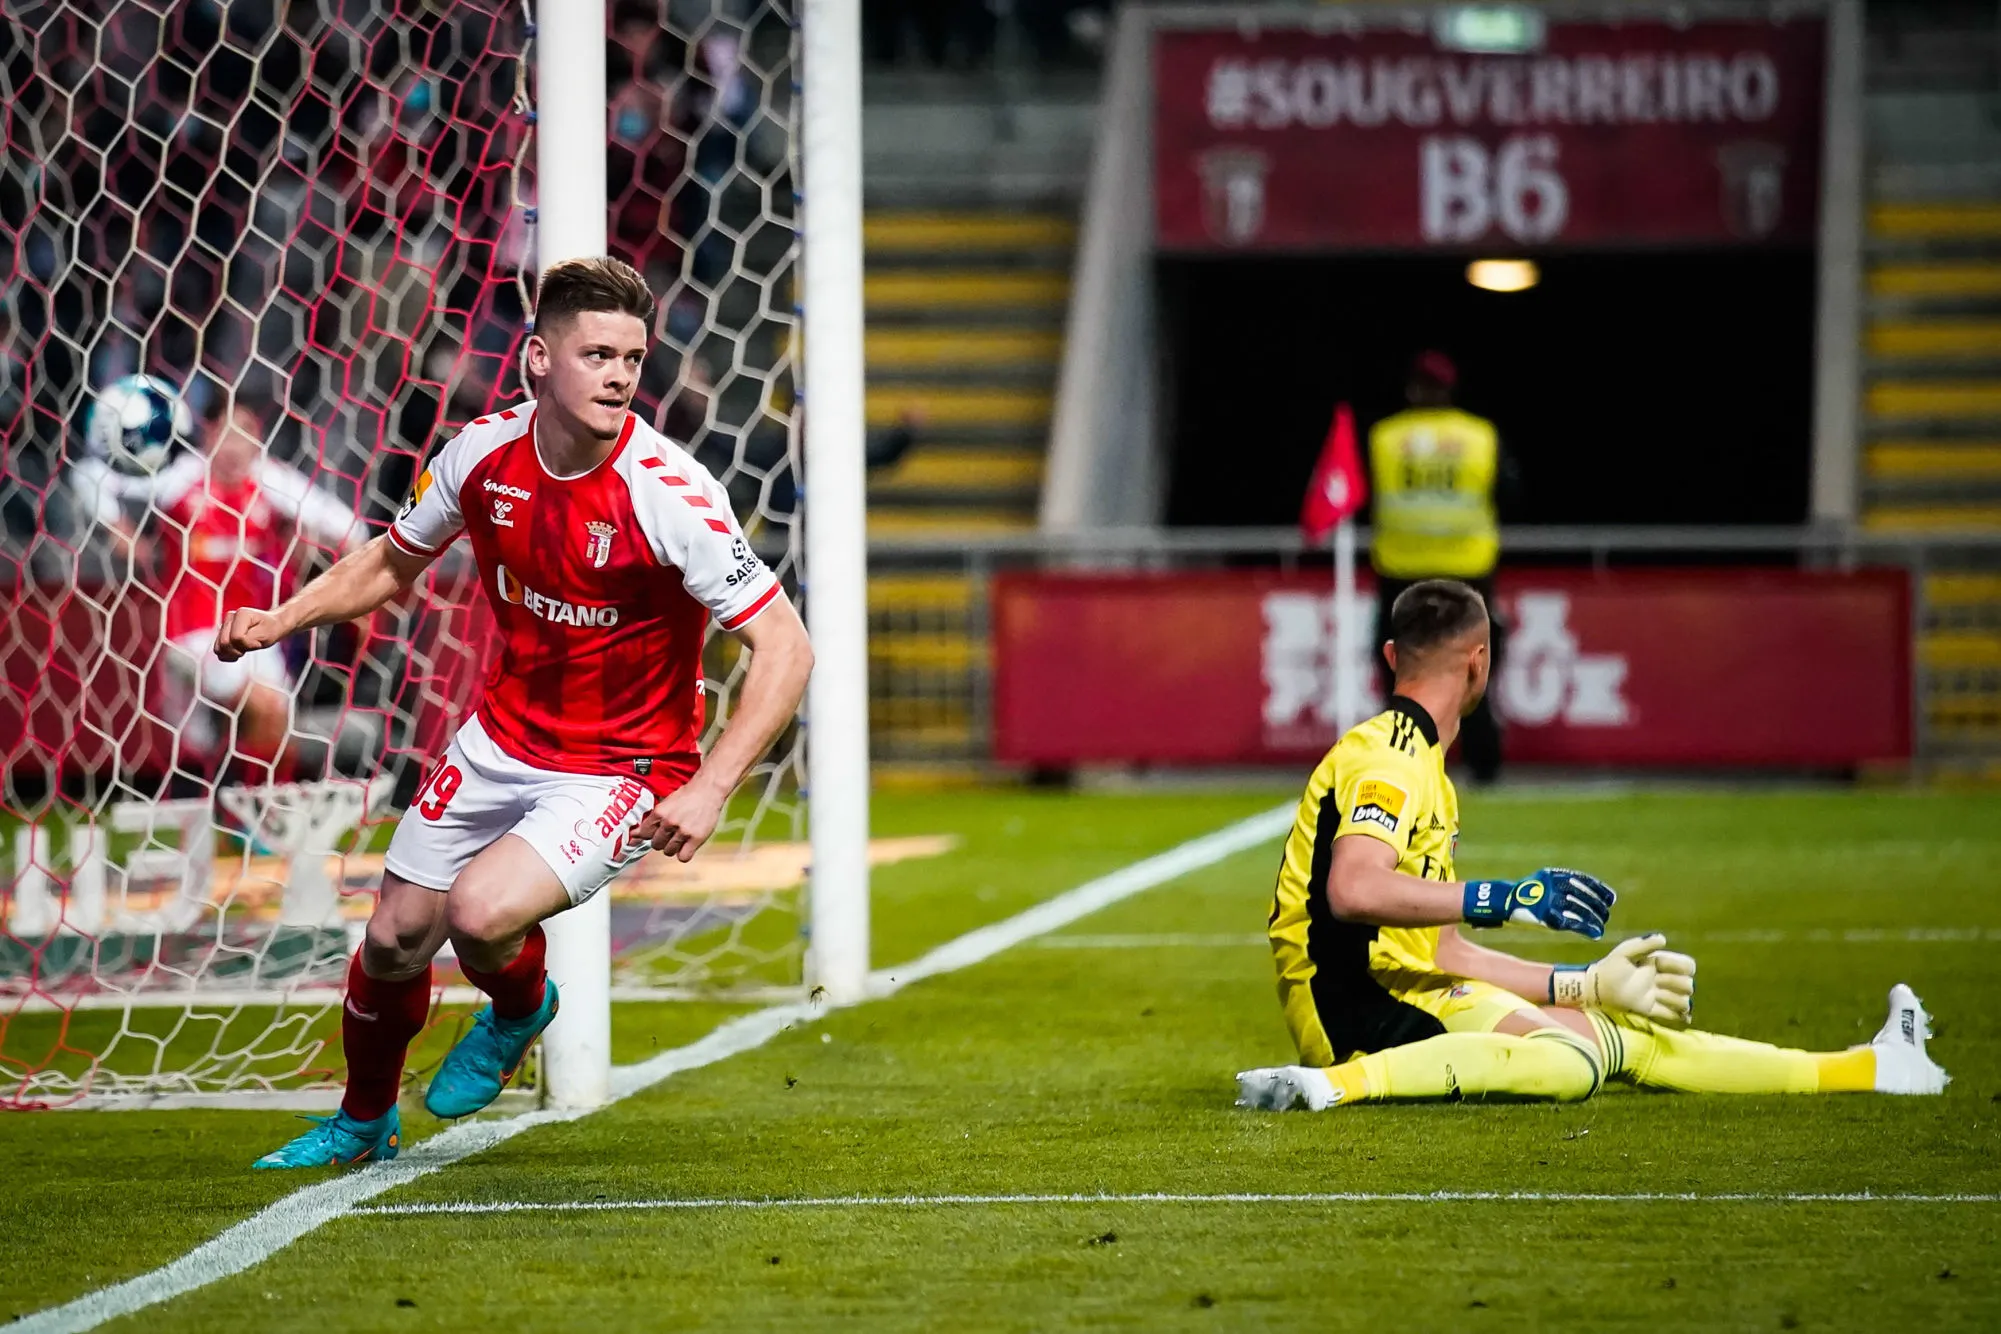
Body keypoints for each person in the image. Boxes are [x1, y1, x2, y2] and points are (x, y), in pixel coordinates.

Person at [232, 257, 814, 1167]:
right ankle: (361, 1122)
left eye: (632, 358)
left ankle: (519, 1008)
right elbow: (389, 560)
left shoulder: (670, 494)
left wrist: (710, 787)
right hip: (502, 739)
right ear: (539, 358)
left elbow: (785, 647)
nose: (619, 377)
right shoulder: (480, 453)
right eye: (597, 355)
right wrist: (281, 619)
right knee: (392, 939)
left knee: (479, 913)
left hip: (623, 765)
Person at [1236, 579, 1948, 1112]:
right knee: (1571, 1061)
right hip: (1348, 1007)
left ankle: (1876, 1068)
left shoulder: (1421, 764)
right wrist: (1506, 897)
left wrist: (1583, 983)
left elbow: (1444, 952)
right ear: (1480, 663)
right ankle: (1331, 1085)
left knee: (1613, 1030)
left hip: (1404, 987)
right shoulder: (1390, 757)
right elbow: (1353, 888)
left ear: (1392, 655)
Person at [1367, 351, 1512, 783]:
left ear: (1413, 389)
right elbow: (1510, 491)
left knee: (1402, 675)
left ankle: (1401, 766)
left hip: (1402, 573)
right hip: (1466, 571)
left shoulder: (1385, 437)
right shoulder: (1479, 436)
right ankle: (1484, 767)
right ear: (1450, 389)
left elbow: (1366, 497)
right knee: (1472, 673)